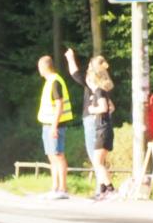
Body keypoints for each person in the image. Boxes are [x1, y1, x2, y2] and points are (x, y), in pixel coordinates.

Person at [65, 50, 116, 199]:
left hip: (94, 121)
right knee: (99, 159)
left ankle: (105, 190)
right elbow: (111, 107)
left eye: (88, 66)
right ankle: (102, 189)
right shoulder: (106, 83)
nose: (86, 69)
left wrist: (70, 58)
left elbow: (75, 73)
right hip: (104, 123)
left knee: (95, 158)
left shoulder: (95, 86)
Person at [37, 55, 73, 199]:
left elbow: (59, 104)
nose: (39, 70)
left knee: (58, 155)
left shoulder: (55, 82)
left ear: (45, 67)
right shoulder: (50, 81)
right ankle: (55, 187)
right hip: (48, 124)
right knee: (52, 156)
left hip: (55, 125)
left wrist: (54, 126)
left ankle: (62, 189)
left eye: (40, 67)